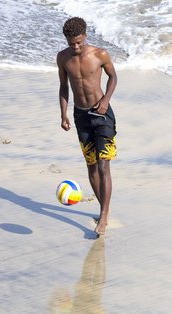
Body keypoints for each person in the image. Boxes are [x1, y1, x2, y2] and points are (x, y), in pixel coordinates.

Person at [57, 17, 117, 236]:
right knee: (91, 165)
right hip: (80, 115)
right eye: (72, 43)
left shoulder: (99, 54)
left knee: (103, 164)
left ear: (85, 37)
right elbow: (64, 87)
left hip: (102, 114)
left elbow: (113, 77)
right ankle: (105, 208)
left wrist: (106, 100)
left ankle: (103, 216)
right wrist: (63, 114)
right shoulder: (63, 58)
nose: (76, 47)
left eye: (79, 42)